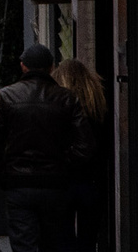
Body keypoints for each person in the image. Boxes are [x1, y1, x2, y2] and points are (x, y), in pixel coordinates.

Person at [0, 44, 91, 252]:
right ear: (51, 67)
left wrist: (5, 176)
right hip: (55, 185)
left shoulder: (5, 97)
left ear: (23, 66)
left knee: (24, 245)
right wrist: (64, 167)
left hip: (19, 185)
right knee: (54, 243)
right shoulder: (66, 98)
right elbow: (85, 145)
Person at [52, 58, 107, 252]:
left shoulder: (58, 106)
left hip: (63, 181)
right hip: (92, 181)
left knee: (63, 236)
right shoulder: (97, 103)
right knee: (88, 239)